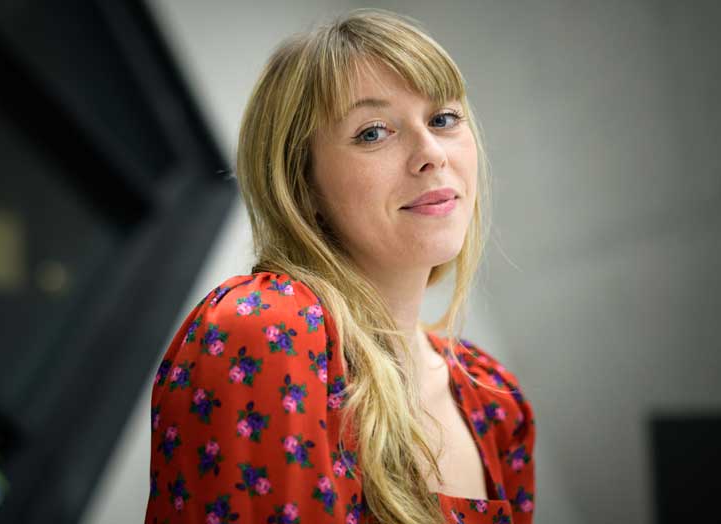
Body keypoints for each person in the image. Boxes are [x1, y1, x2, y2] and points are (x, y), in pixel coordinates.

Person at [144, 8, 535, 524]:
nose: (431, 154)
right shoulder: (265, 328)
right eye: (374, 132)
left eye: (443, 119)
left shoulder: (494, 400)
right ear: (302, 187)